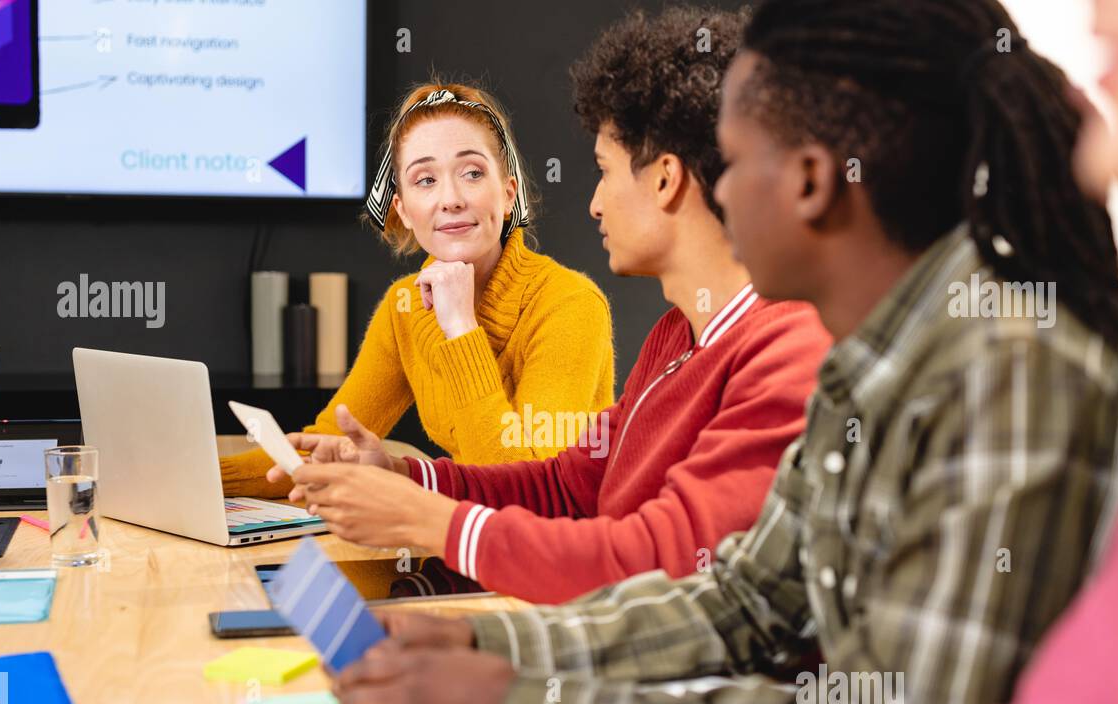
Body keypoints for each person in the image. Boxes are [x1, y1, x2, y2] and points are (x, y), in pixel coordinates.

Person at [328, 0, 1118, 704]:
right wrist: (492, 646)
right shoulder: (870, 363)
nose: (714, 196)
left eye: (730, 163)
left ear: (812, 184)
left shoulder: (1007, 378)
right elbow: (742, 599)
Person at [269, 7, 829, 604]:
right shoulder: (676, 337)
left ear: (665, 180)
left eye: (603, 172)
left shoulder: (787, 348)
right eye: (425, 181)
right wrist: (407, 475)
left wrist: (429, 521)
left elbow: (662, 563)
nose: (592, 204)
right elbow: (569, 487)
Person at [220, 82, 615, 499]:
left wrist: (461, 328)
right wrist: (201, 480)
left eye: (473, 173)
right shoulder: (405, 306)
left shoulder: (568, 304)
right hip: (467, 538)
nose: (450, 199)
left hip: (560, 548)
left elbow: (527, 492)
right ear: (404, 211)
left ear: (507, 193)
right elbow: (330, 439)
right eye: (425, 180)